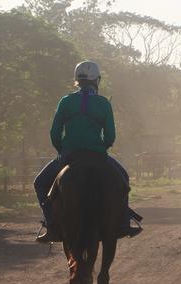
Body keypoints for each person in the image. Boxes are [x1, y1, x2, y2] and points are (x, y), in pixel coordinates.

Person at [34, 60, 142, 243]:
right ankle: (123, 222)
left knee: (40, 183)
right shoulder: (103, 103)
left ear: (77, 80)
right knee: (122, 179)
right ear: (97, 80)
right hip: (97, 156)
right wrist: (101, 148)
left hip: (69, 155)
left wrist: (63, 150)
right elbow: (110, 136)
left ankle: (51, 225)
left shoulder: (66, 101)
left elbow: (54, 133)